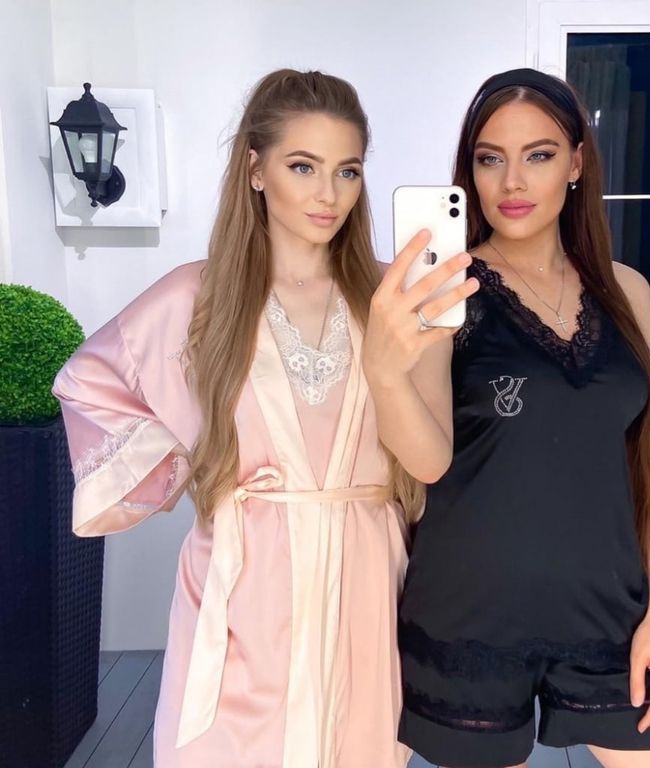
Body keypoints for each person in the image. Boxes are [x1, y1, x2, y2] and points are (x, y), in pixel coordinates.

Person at [365, 68, 650, 767]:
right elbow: (428, 461)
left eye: (538, 155)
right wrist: (384, 369)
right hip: (469, 619)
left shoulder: (627, 291)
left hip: (609, 616)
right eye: (490, 158)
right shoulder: (445, 291)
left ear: (576, 163)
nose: (512, 182)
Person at [53, 68, 413, 768]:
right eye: (302, 166)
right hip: (245, 583)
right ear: (255, 169)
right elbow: (88, 379)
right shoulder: (200, 295)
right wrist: (188, 464)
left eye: (347, 170)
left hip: (365, 577)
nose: (328, 193)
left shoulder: (386, 293)